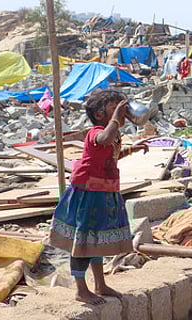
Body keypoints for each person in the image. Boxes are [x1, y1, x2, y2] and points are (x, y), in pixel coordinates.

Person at [48, 89, 149, 304]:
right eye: (114, 109)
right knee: (83, 241)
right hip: (88, 193)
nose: (121, 113)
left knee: (97, 240)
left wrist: (132, 149)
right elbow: (103, 140)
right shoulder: (95, 132)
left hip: (105, 191)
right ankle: (81, 289)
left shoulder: (114, 135)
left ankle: (100, 284)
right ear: (100, 115)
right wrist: (115, 120)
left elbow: (111, 155)